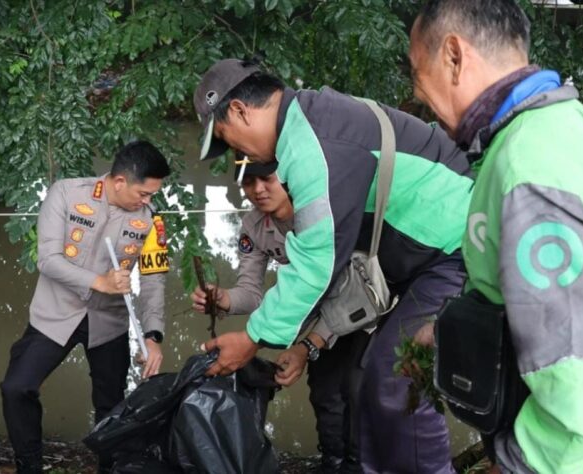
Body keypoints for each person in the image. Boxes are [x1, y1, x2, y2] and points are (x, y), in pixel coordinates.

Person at [408, 1, 583, 472]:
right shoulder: (556, 127)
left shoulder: (533, 167)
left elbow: (579, 380)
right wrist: (448, 333)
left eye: (418, 74)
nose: (418, 95)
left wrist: (521, 464)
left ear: (454, 56)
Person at [193, 59, 474, 473]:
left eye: (226, 137)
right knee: (376, 380)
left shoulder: (313, 147)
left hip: (457, 245)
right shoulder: (309, 121)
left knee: (397, 375)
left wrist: (252, 338)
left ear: (239, 110)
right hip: (421, 259)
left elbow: (315, 263)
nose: (239, 154)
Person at [0, 141, 172, 473]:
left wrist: (152, 336)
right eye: (144, 193)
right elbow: (48, 259)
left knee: (111, 407)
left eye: (152, 195)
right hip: (55, 315)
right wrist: (99, 282)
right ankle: (29, 465)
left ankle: (109, 468)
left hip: (109, 323)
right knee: (16, 388)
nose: (148, 201)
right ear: (119, 181)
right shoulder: (66, 194)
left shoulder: (152, 222)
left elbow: (153, 280)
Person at [189, 160, 366, 473]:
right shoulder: (254, 226)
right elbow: (251, 292)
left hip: (366, 304)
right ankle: (333, 462)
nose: (258, 190)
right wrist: (223, 299)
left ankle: (360, 464)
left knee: (359, 389)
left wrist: (307, 345)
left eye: (266, 179)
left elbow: (352, 287)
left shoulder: (322, 211)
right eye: (248, 182)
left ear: (285, 178)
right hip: (318, 310)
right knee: (325, 391)